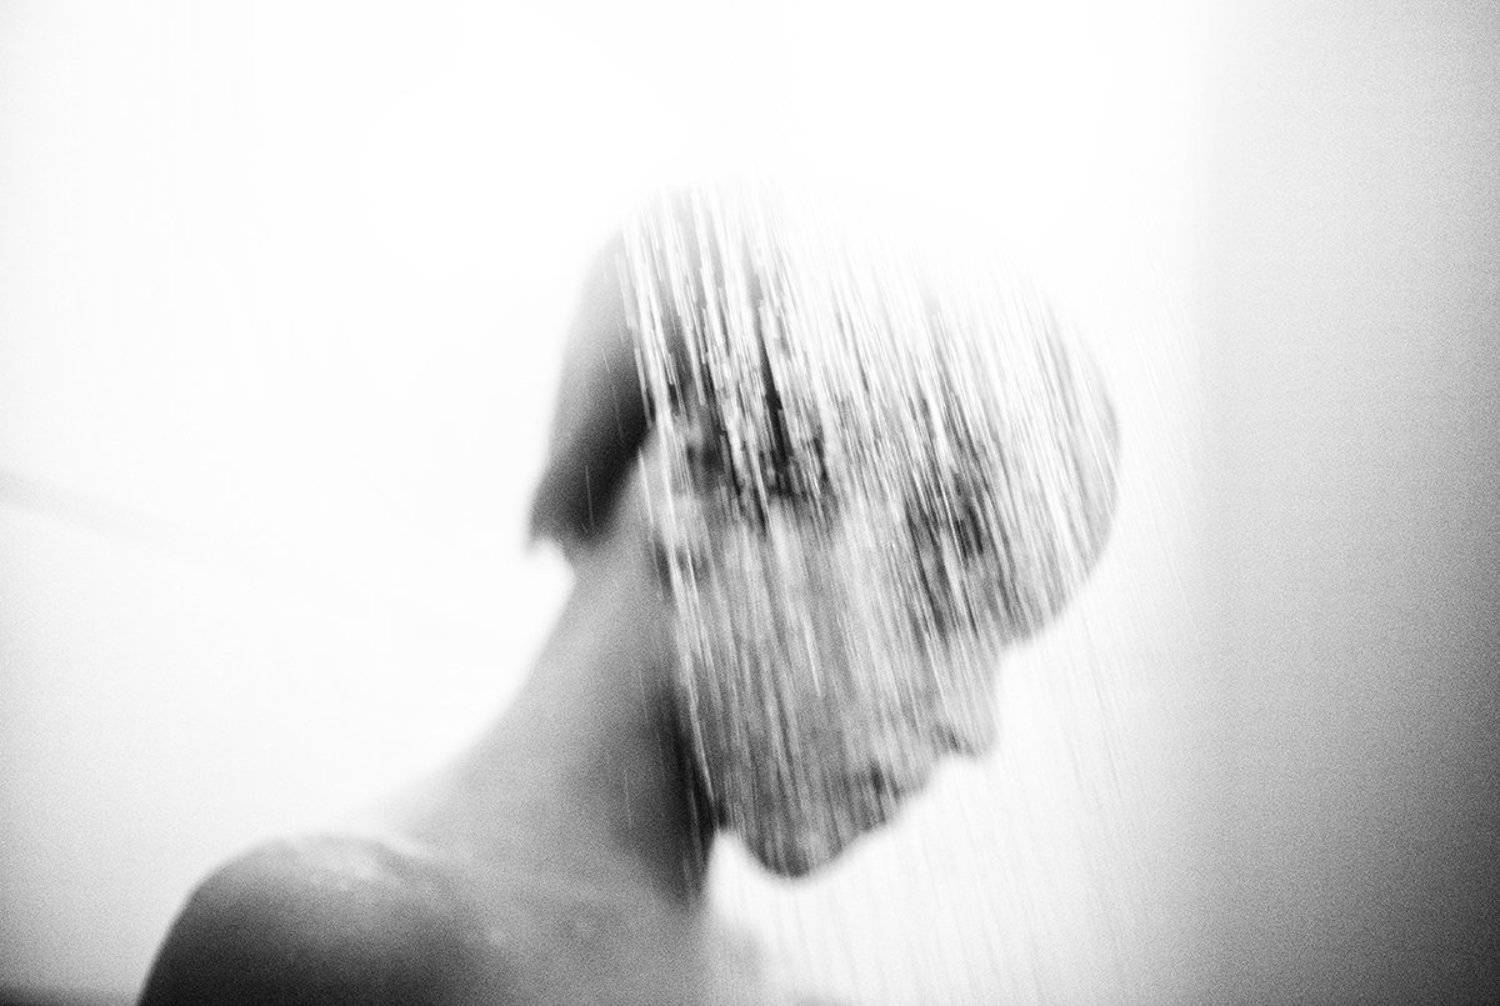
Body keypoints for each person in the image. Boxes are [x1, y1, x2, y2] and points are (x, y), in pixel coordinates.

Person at [139, 188, 1120, 1004]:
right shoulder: (336, 955)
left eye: (1003, 644)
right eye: (942, 602)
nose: (975, 724)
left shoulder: (777, 990)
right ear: (702, 480)